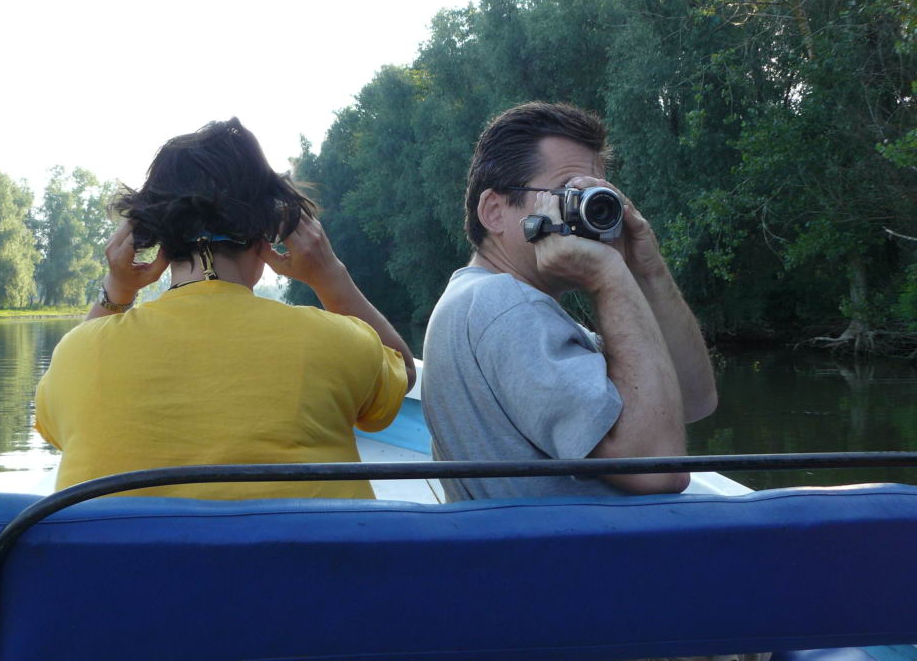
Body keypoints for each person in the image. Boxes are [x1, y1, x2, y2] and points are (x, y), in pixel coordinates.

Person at [35, 117, 416, 500]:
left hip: (130, 562)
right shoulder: (339, 342)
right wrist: (331, 277)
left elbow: (57, 428)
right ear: (270, 228)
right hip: (310, 561)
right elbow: (403, 375)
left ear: (153, 234)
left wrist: (116, 291)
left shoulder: (76, 356)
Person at [421, 101, 718, 501]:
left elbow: (693, 400)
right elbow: (657, 468)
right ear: (494, 211)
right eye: (565, 193)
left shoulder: (488, 301)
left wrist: (647, 270)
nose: (584, 214)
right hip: (576, 558)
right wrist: (609, 277)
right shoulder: (503, 303)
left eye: (594, 196)